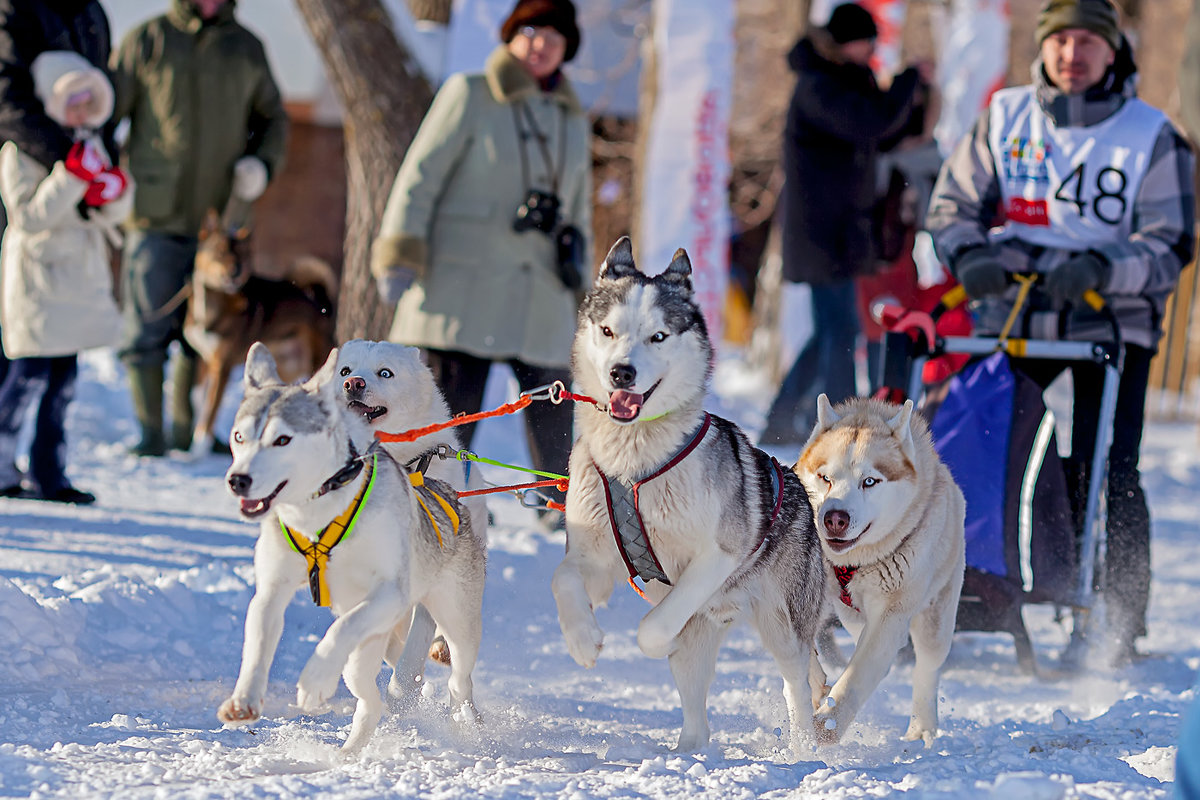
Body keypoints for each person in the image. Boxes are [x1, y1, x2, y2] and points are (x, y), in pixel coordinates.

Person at [926, 0, 1195, 664]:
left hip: (1111, 317)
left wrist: (1105, 266)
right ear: (1043, 46)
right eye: (1061, 40)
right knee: (982, 446)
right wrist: (969, 254)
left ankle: (1116, 616)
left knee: (1111, 464)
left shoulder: (1150, 134)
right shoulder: (1006, 116)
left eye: (1088, 42)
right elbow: (952, 204)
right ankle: (967, 588)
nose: (1072, 54)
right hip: (1015, 308)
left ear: (1113, 50)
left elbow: (1171, 241)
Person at [371, 0, 591, 523]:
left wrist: (584, 285)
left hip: (540, 282)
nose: (541, 45)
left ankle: (558, 502)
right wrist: (401, 249)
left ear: (566, 49)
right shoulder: (469, 93)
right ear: (511, 35)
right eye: (531, 31)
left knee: (552, 393)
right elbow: (420, 175)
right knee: (454, 401)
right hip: (463, 277)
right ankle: (439, 494)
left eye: (554, 37)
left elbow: (580, 206)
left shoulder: (572, 118)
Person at [110, 0, 288, 456]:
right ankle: (150, 434)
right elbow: (106, 114)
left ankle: (186, 431)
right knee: (147, 327)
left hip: (220, 221)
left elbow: (273, 119)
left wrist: (262, 165)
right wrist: (107, 178)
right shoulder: (148, 41)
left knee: (206, 335)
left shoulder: (246, 48)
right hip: (155, 214)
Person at [758, 2, 923, 446]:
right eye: (865, 42)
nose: (871, 50)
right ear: (843, 42)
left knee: (830, 331)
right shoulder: (818, 85)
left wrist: (912, 98)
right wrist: (906, 82)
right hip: (822, 234)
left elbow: (883, 132)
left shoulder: (842, 80)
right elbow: (869, 123)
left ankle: (781, 420)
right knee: (842, 331)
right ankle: (843, 428)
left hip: (838, 232)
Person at [0, 51, 131, 504]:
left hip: (78, 284)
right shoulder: (20, 151)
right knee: (26, 378)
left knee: (63, 385)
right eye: (72, 101)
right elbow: (28, 216)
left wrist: (114, 195)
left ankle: (50, 473)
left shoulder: (91, 145)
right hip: (39, 283)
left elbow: (108, 213)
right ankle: (1, 465)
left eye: (86, 102)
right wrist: (71, 177)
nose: (79, 111)